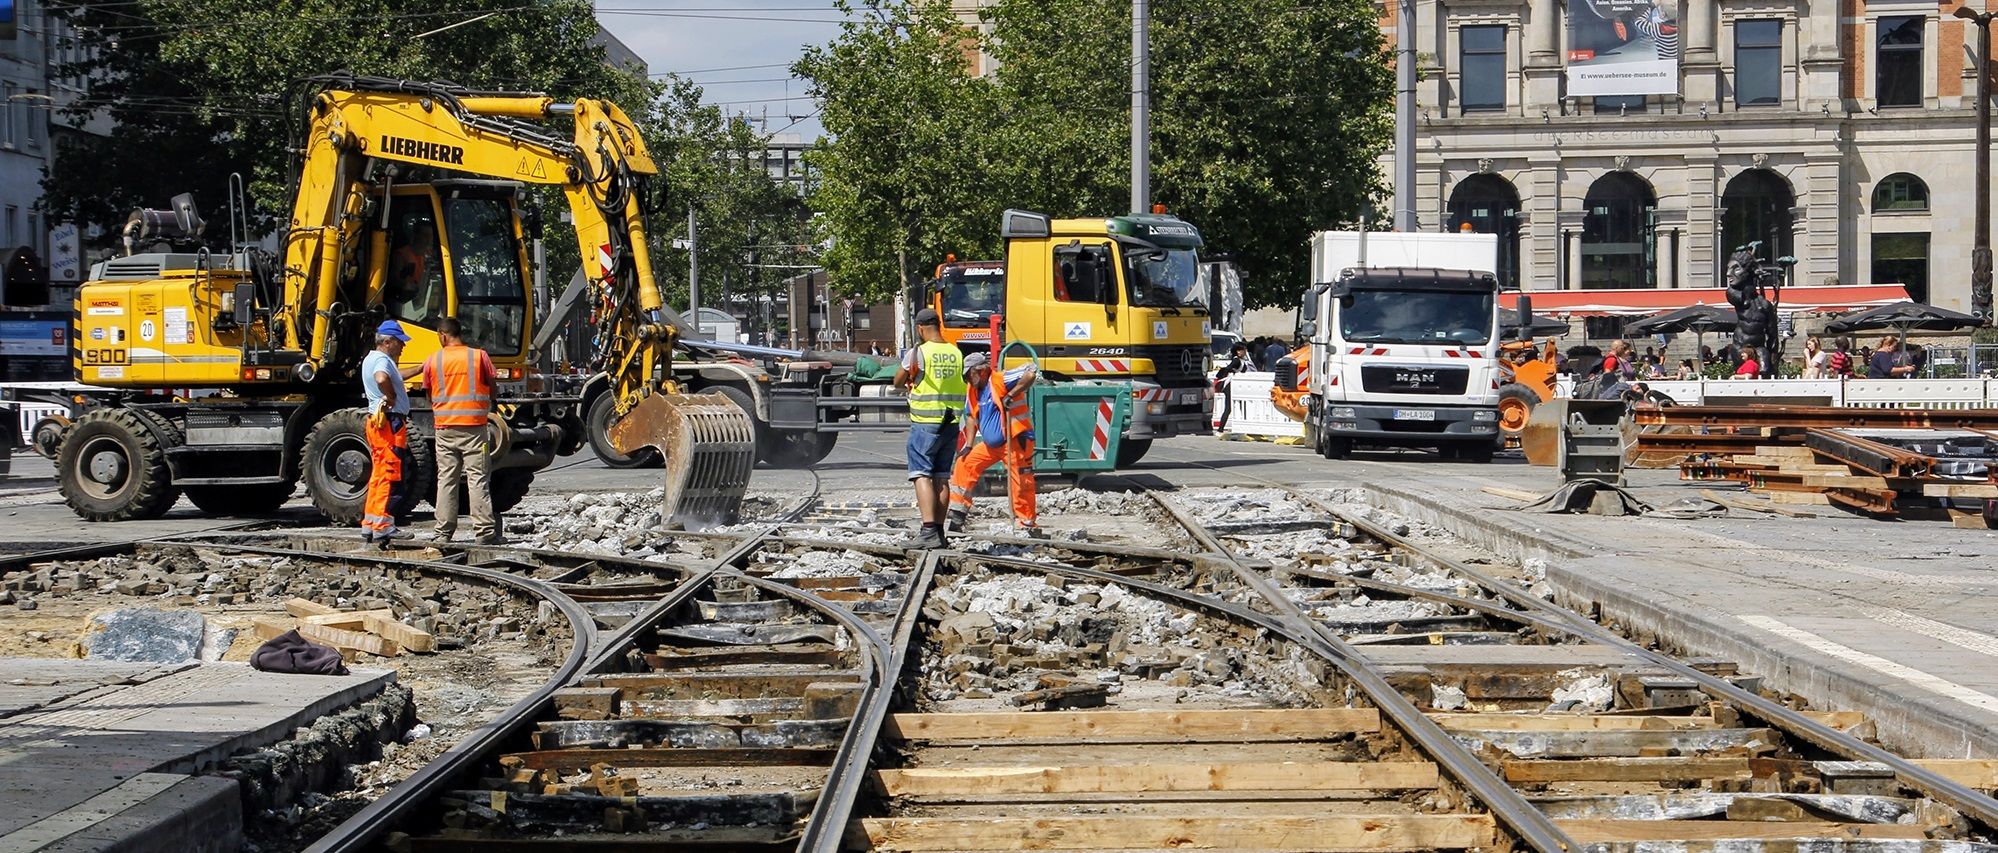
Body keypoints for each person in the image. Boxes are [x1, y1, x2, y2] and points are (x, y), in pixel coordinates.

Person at [419, 317, 501, 544]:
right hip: (474, 428)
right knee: (478, 479)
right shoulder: (478, 356)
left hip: (445, 428)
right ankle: (484, 532)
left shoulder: (433, 360)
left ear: (443, 335)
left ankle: (443, 532)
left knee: (446, 479)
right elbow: (493, 388)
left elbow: (429, 393)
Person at [946, 352, 1043, 537]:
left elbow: (1030, 373)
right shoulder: (972, 390)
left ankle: (1026, 523)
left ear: (981, 371)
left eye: (969, 374)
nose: (967, 378)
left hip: (1015, 441)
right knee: (964, 463)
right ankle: (958, 513)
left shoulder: (1000, 380)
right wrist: (968, 444)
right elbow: (971, 417)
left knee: (1020, 482)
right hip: (993, 446)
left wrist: (1011, 394)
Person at [893, 308, 965, 549]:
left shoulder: (919, 352)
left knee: (921, 474)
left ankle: (927, 531)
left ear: (920, 328)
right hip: (951, 423)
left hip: (926, 423)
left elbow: (898, 380)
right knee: (942, 477)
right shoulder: (956, 352)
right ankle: (939, 533)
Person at [361, 320, 418, 548]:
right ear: (387, 342)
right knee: (390, 474)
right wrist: (392, 397)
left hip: (377, 421)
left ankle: (371, 524)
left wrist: (421, 368)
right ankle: (385, 526)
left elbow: (393, 375)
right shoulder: (382, 360)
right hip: (390, 423)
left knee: (378, 475)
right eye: (399, 343)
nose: (403, 347)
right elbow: (382, 378)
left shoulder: (371, 358)